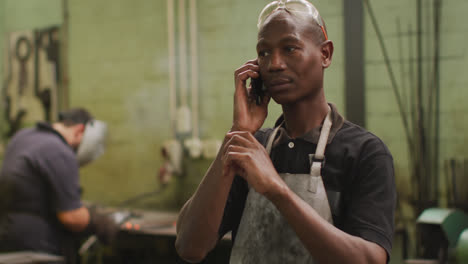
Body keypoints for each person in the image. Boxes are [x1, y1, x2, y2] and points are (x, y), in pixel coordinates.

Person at [175, 0, 396, 263]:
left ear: (325, 54)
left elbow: (369, 260)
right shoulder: (251, 149)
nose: (274, 64)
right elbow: (190, 246)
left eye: (289, 48)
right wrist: (238, 131)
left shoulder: (365, 153)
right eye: (264, 53)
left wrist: (276, 190)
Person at [0, 108, 117, 262]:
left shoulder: (23, 136)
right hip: (37, 251)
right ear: (79, 131)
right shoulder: (59, 150)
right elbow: (72, 218)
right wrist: (98, 221)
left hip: (7, 242)